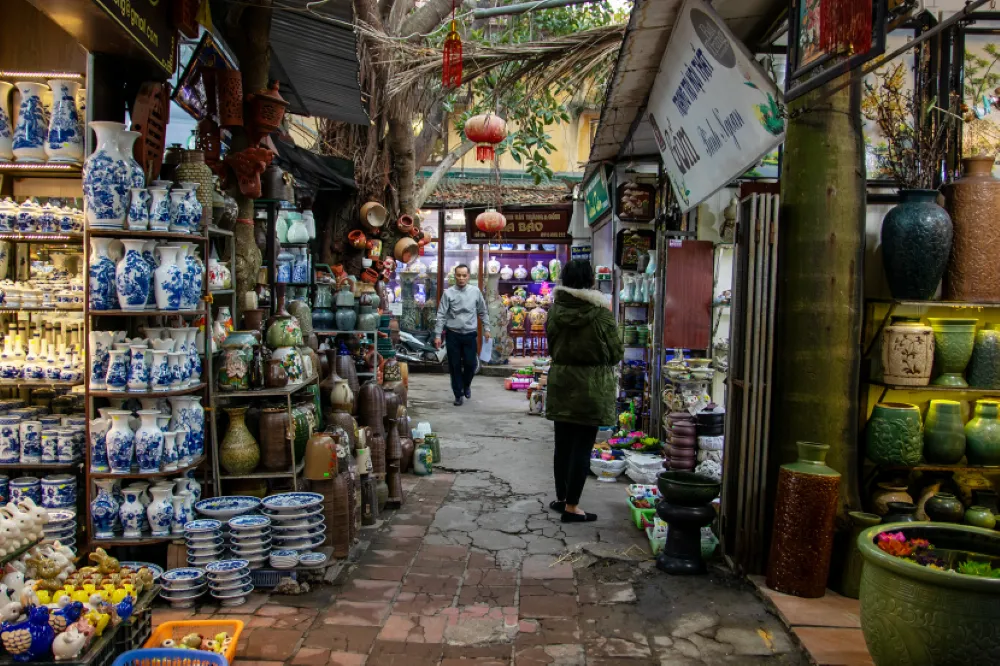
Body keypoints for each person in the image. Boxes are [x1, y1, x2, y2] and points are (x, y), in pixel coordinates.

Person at [545, 259, 624, 523]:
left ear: (564, 281)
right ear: (591, 281)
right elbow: (615, 352)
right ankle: (572, 507)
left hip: (561, 382)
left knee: (563, 445)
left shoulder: (554, 312)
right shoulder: (601, 314)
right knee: (582, 446)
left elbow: (551, 346)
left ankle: (562, 498)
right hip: (592, 386)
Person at [435, 264, 491, 406]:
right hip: (453, 334)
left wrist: (487, 329)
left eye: (464, 275)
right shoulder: (448, 293)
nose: (461, 278)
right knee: (454, 366)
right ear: (454, 276)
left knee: (471, 364)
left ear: (468, 276)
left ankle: (466, 385)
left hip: (470, 335)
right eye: (458, 275)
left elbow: (483, 311)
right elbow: (441, 315)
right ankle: (458, 394)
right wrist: (437, 335)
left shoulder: (475, 292)